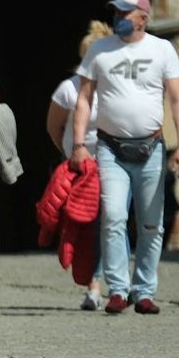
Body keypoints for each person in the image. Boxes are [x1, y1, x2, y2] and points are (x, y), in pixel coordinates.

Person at [70, 0, 179, 315]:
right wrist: (79, 144)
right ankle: (118, 289)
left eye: (126, 12)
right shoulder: (99, 50)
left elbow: (178, 99)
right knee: (113, 218)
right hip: (110, 148)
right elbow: (84, 99)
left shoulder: (163, 50)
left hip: (151, 148)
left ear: (143, 17)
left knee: (152, 223)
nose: (119, 18)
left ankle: (145, 290)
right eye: (116, 12)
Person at [46, 20, 113, 310]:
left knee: (113, 222)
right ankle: (94, 285)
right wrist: (70, 154)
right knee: (89, 225)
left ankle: (117, 284)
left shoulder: (115, 88)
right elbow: (54, 126)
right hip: (82, 166)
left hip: (112, 163)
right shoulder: (68, 89)